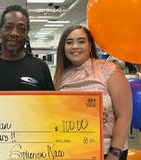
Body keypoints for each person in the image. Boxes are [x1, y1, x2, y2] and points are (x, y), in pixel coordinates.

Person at [54, 25, 132, 160]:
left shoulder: (109, 70)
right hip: (73, 150)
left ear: (90, 46)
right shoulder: (61, 76)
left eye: (81, 41)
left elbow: (124, 116)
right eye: (69, 42)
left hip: (107, 151)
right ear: (63, 48)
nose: (75, 46)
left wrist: (114, 154)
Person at [0, 5, 54, 91]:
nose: (14, 33)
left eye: (21, 29)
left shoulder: (40, 67)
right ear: (0, 30)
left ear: (26, 34)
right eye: (9, 27)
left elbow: (52, 103)